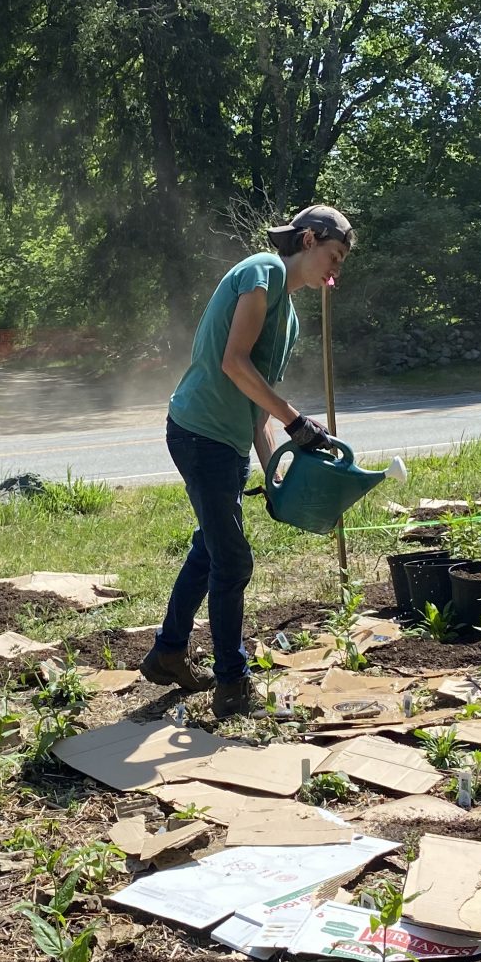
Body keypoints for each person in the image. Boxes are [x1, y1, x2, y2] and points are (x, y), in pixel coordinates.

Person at [141, 205, 354, 717]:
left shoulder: (293, 321)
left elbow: (258, 403)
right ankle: (232, 684)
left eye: (343, 261)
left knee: (211, 549)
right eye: (335, 254)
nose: (336, 269)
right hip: (198, 432)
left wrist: (275, 469)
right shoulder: (263, 271)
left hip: (231, 442)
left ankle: (169, 652)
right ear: (307, 239)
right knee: (233, 559)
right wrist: (297, 421)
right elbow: (231, 362)